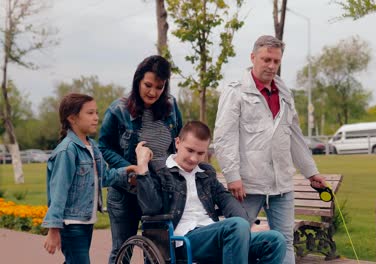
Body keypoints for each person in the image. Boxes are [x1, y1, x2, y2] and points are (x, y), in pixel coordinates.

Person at [213, 35, 328, 264]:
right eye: (266, 59)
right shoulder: (235, 92)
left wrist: (311, 172)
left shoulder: (284, 93)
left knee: (285, 240)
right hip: (247, 186)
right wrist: (233, 176)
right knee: (236, 239)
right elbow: (224, 137)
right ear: (253, 57)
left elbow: (294, 136)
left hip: (282, 186)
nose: (271, 66)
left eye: (276, 61)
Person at [135, 121, 286, 264]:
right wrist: (142, 167)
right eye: (190, 150)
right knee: (236, 226)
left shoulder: (206, 173)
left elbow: (226, 199)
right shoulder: (160, 171)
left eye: (200, 153)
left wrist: (248, 225)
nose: (194, 159)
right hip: (181, 241)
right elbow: (151, 208)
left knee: (275, 240)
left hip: (214, 235)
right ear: (178, 143)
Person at [98, 55, 183, 263]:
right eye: (148, 85)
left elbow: (179, 142)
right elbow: (103, 147)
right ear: (137, 81)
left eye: (159, 87)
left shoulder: (171, 106)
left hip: (159, 191)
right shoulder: (118, 109)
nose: (153, 92)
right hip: (126, 192)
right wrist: (131, 168)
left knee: (156, 251)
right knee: (121, 250)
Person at [42, 93, 139, 264]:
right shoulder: (68, 151)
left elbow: (104, 177)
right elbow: (58, 193)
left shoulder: (92, 146)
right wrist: (53, 229)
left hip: (86, 221)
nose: (96, 118)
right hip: (71, 223)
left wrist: (126, 171)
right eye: (90, 113)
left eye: (96, 113)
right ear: (72, 118)